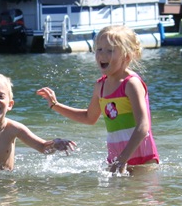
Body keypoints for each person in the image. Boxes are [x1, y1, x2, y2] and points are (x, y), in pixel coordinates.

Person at [37, 25, 159, 174]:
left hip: (142, 160)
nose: (102, 54)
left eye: (110, 50)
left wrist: (122, 159)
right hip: (116, 159)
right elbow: (89, 117)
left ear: (126, 56)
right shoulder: (100, 86)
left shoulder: (131, 83)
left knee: (139, 196)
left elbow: (143, 126)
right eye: (99, 49)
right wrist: (55, 105)